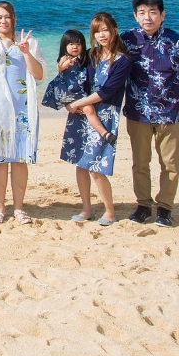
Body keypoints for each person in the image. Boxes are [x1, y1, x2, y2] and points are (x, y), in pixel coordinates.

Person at [122, 0, 179, 227]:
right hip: (138, 112)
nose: (147, 17)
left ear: (162, 15)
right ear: (135, 15)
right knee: (140, 162)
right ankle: (143, 205)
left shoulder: (178, 40)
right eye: (142, 13)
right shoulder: (126, 41)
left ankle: (164, 208)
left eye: (153, 12)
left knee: (171, 163)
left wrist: (163, 91)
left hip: (171, 111)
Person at [0, 1, 46, 225]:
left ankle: (19, 208)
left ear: (14, 18)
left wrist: (25, 52)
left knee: (20, 158)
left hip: (23, 108)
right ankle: (0, 208)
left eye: (7, 16)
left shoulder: (29, 41)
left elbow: (40, 74)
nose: (3, 21)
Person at [59, 13, 131, 226]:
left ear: (114, 30)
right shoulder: (91, 54)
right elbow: (74, 78)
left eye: (105, 30)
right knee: (80, 164)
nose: (102, 35)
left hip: (106, 113)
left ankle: (109, 210)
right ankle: (87, 209)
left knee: (96, 166)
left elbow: (107, 91)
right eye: (97, 31)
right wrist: (67, 102)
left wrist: (79, 103)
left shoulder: (123, 60)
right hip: (82, 113)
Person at [42, 29, 114, 145]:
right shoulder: (65, 58)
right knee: (89, 109)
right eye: (71, 44)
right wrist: (66, 64)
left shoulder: (80, 61)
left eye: (78, 44)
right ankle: (104, 133)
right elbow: (59, 67)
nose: (75, 47)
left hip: (75, 92)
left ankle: (104, 133)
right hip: (67, 92)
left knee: (88, 110)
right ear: (64, 46)